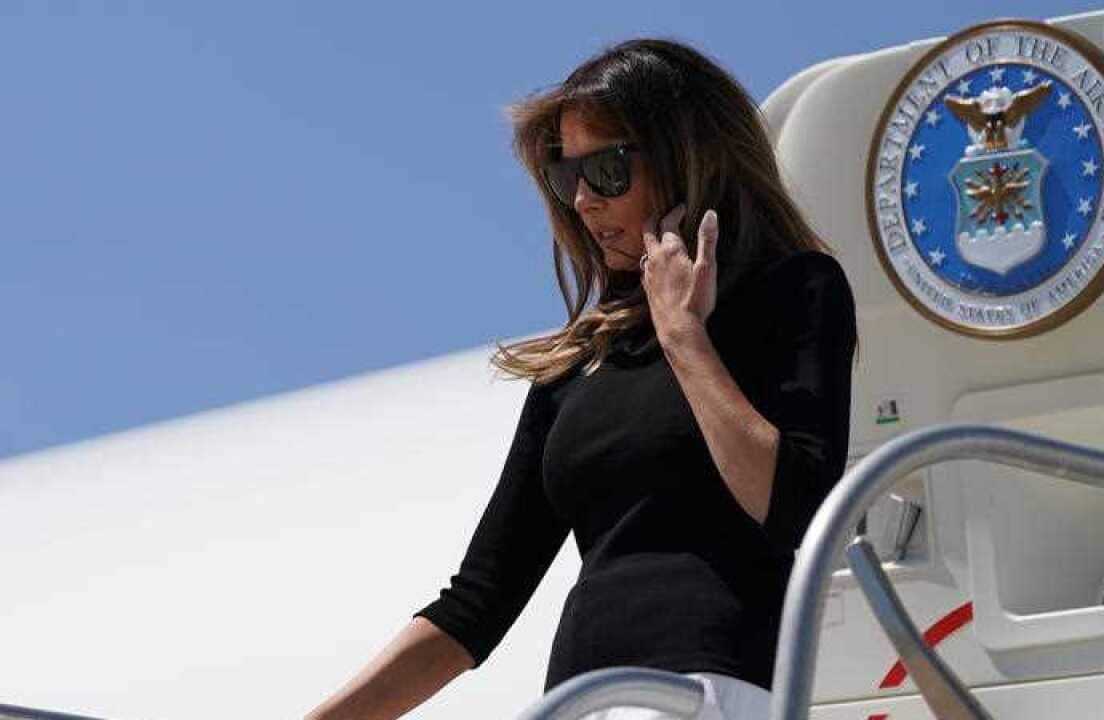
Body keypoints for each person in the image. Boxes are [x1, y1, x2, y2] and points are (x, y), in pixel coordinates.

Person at [305, 38, 857, 720]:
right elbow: (476, 603)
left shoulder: (794, 291)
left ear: (689, 156)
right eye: (569, 177)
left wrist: (684, 336)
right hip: (580, 700)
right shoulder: (576, 368)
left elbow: (797, 508)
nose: (586, 201)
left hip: (708, 689)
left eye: (610, 169)